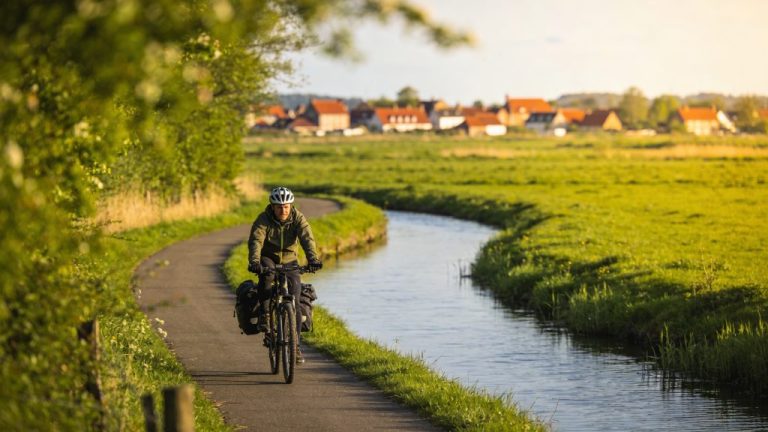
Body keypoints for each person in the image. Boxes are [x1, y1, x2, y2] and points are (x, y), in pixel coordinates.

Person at [247, 186, 322, 364]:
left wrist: (313, 259)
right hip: (268, 258)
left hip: (290, 260)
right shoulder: (263, 219)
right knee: (266, 278)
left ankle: (295, 347)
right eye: (279, 207)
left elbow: (307, 238)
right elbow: (256, 241)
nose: (283, 210)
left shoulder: (298, 218)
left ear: (291, 206)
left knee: (295, 301)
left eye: (286, 206)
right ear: (272, 206)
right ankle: (265, 315)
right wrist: (255, 262)